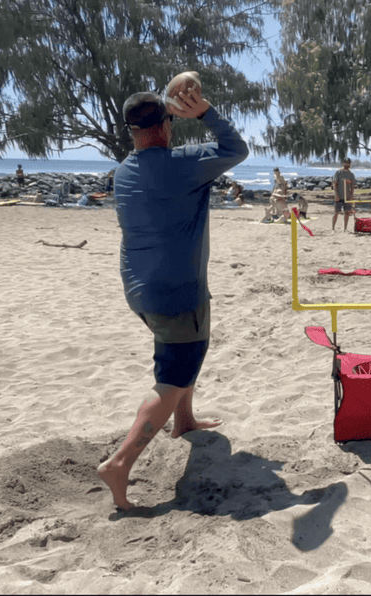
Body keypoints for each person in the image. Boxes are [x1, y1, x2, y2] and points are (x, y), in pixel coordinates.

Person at [97, 81, 249, 511]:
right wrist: (203, 113)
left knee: (182, 352)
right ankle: (119, 464)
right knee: (174, 373)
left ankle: (185, 421)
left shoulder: (124, 171)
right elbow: (236, 149)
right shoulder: (183, 163)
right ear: (166, 124)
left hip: (139, 290)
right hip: (177, 292)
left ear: (131, 130)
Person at [332, 157, 356, 231]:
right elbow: (334, 184)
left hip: (347, 196)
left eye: (348, 163)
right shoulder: (338, 173)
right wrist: (336, 195)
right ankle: (333, 229)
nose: (347, 164)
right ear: (343, 163)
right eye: (346, 163)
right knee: (336, 212)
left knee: (347, 213)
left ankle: (345, 228)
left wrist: (351, 196)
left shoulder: (351, 174)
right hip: (339, 196)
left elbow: (353, 186)